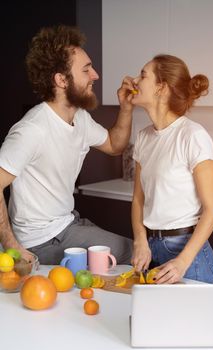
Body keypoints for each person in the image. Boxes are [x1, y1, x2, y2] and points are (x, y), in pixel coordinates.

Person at [0, 25, 134, 265]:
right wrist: (11, 245)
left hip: (67, 223)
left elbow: (115, 145)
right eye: (86, 70)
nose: (95, 75)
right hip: (41, 240)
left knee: (130, 257)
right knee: (134, 254)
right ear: (61, 80)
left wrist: (126, 107)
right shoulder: (32, 129)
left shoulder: (80, 118)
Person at [130, 54, 213, 284]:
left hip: (189, 257)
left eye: (142, 75)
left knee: (191, 321)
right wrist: (140, 240)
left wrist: (182, 261)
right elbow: (138, 199)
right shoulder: (143, 137)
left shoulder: (192, 135)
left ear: (161, 87)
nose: (134, 81)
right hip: (152, 250)